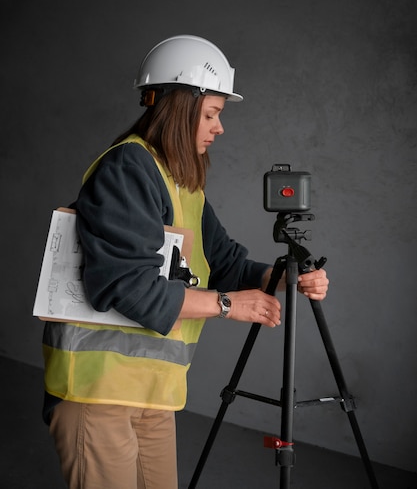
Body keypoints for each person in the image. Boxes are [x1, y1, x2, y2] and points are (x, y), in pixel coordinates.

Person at [42, 35, 329, 489]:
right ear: (177, 106)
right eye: (212, 114)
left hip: (153, 395)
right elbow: (126, 287)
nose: (219, 128)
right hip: (97, 393)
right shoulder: (127, 170)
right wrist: (230, 306)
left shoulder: (183, 184)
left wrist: (288, 278)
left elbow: (229, 265)